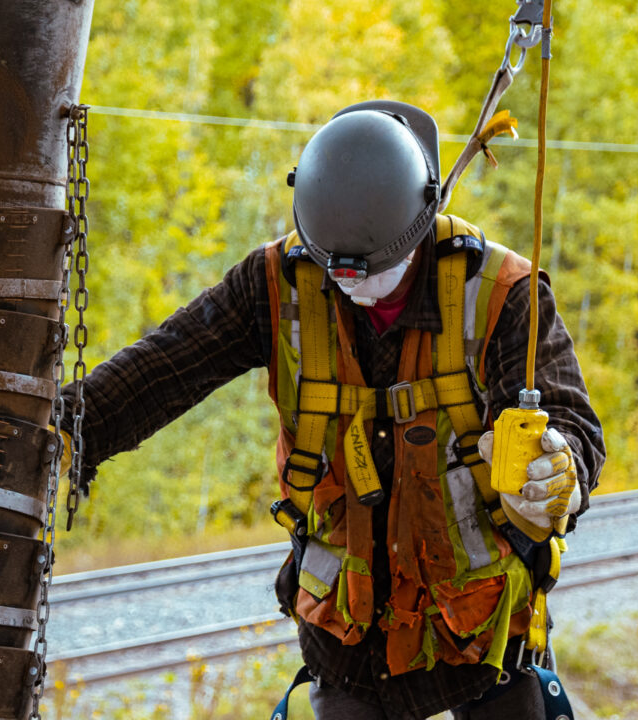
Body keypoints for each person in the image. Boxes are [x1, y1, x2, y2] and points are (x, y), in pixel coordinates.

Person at [62, 100, 605, 720]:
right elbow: (164, 369)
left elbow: (570, 420)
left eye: (375, 270)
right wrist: (64, 429)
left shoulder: (499, 292)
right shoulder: (280, 283)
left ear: (423, 223)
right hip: (348, 640)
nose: (352, 284)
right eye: (335, 267)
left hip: (485, 633)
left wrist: (558, 472)